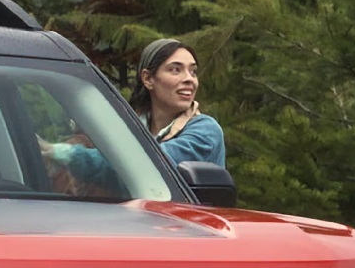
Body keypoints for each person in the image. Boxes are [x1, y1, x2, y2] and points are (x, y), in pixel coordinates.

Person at [41, 39, 226, 185]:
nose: (189, 79)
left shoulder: (206, 131)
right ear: (148, 79)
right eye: (176, 70)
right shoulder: (132, 128)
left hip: (185, 229)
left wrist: (60, 153)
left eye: (193, 72)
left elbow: (146, 163)